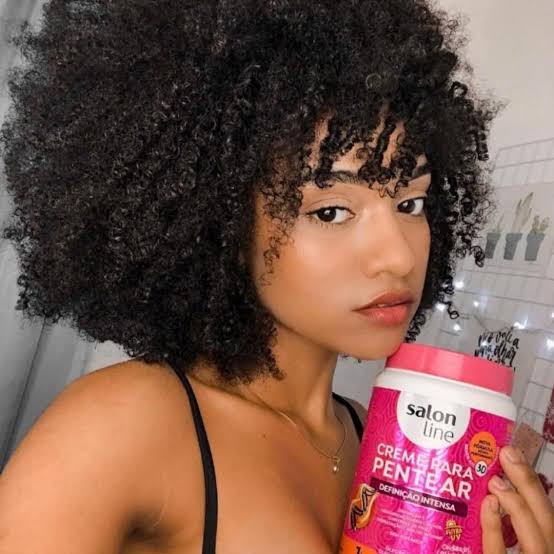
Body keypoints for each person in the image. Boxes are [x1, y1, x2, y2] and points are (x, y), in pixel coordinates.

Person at [0, 1, 552, 553]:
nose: (399, 258)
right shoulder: (125, 425)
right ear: (223, 226)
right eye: (331, 211)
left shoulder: (382, 446)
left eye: (411, 204)